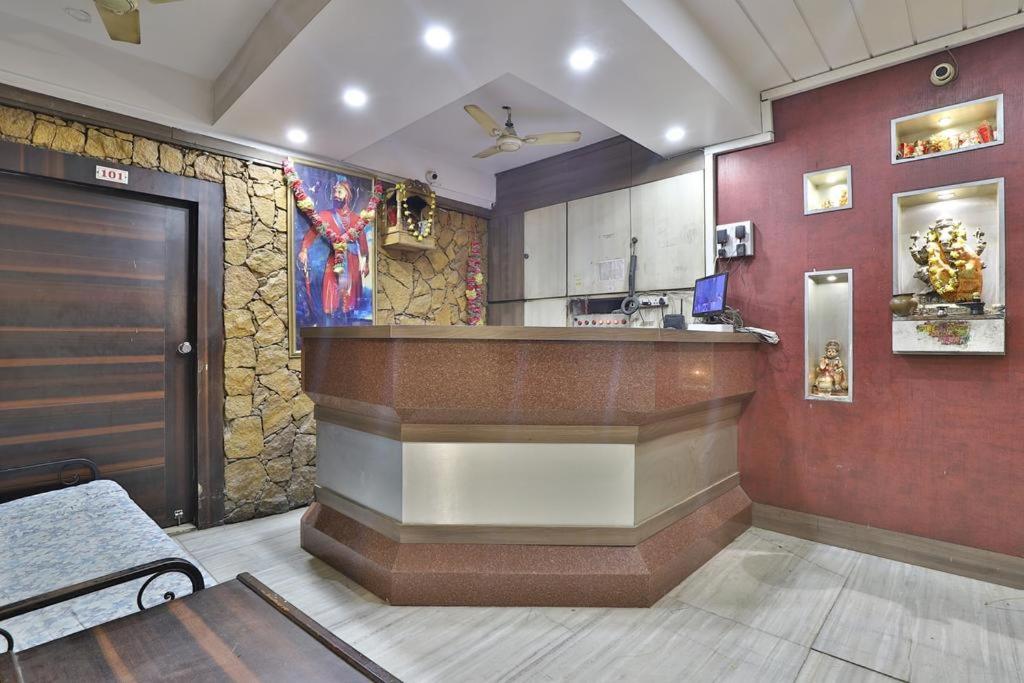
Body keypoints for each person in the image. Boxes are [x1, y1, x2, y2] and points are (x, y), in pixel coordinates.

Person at [297, 175, 371, 317]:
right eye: (334, 192)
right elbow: (312, 233)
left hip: (352, 259)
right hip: (334, 258)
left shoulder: (357, 219)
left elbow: (362, 242)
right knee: (331, 287)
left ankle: (348, 315)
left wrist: (366, 263)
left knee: (350, 297)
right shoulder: (325, 215)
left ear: (347, 195)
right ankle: (332, 316)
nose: (335, 195)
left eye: (339, 192)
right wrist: (304, 250)